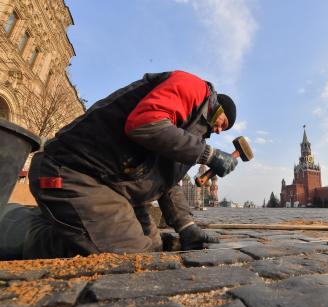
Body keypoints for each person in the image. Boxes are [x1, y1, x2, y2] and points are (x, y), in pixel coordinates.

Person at [5, 70, 238, 259]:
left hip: (116, 189)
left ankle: (70, 223)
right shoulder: (193, 87)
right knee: (132, 254)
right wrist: (208, 154)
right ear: (217, 105)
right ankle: (14, 226)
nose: (218, 131)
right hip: (73, 171)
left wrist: (187, 227)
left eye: (223, 131)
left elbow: (167, 182)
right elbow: (144, 124)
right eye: (222, 123)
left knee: (155, 247)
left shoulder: (187, 135)